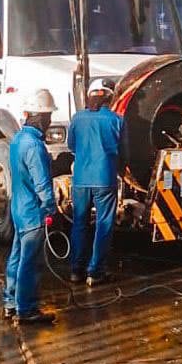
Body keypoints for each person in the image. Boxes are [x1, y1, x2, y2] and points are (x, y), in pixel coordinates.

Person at [3, 89, 57, 325]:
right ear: (41, 118)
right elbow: (42, 184)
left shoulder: (18, 139)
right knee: (30, 262)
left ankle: (10, 302)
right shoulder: (35, 146)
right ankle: (27, 309)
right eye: (48, 117)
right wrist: (51, 208)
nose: (50, 121)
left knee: (16, 256)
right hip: (33, 213)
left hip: (18, 209)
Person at [68, 78, 124, 287]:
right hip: (104, 178)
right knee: (104, 224)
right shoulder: (116, 120)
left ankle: (76, 270)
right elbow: (124, 150)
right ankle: (96, 271)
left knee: (79, 223)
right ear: (110, 97)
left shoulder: (77, 118)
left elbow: (71, 145)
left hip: (80, 180)